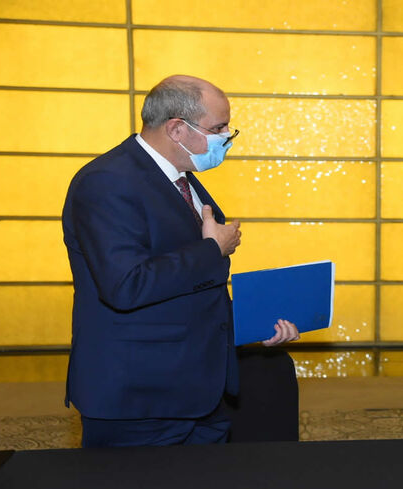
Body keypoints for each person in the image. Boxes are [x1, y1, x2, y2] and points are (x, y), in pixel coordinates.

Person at [61, 75, 300, 447]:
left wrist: (252, 328)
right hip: (139, 397)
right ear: (176, 128)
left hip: (198, 391)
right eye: (219, 128)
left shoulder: (181, 178)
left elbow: (189, 287)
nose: (227, 138)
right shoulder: (107, 182)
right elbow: (126, 285)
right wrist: (211, 250)